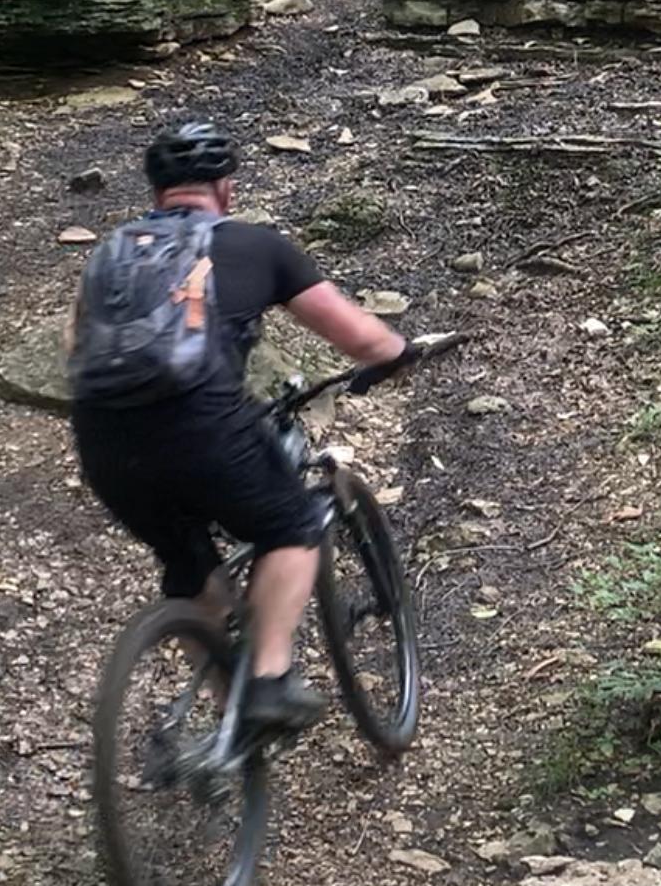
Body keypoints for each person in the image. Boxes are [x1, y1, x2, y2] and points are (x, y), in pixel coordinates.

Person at [68, 121, 412, 732]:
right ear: (226, 188)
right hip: (202, 428)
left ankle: (230, 728)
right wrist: (397, 352)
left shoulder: (110, 254)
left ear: (156, 193)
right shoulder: (255, 245)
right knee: (291, 525)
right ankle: (269, 682)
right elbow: (362, 337)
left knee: (187, 567)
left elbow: (78, 346)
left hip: (104, 442)